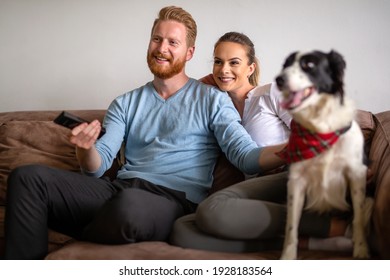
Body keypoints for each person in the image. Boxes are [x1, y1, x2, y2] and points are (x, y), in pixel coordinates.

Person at [4, 6, 285, 259]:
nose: (162, 48)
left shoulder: (213, 99)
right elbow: (96, 167)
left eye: (173, 42)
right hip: (117, 190)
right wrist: (85, 148)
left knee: (129, 207)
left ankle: (81, 224)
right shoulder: (125, 102)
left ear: (189, 53)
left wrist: (297, 146)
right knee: (28, 177)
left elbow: (246, 157)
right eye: (157, 39)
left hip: (172, 199)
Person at [170, 32, 353, 253]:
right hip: (258, 191)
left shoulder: (271, 93)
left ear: (250, 68)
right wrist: (200, 88)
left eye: (234, 62)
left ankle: (337, 228)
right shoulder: (217, 109)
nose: (223, 69)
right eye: (218, 62)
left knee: (212, 209)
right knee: (182, 229)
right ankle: (310, 243)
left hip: (290, 174)